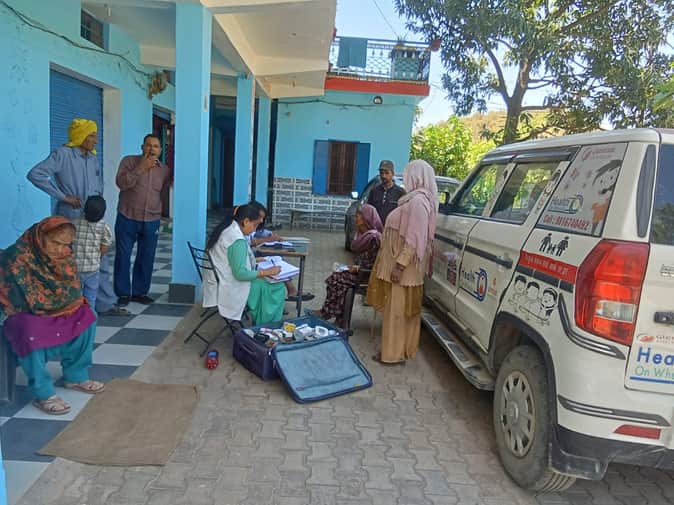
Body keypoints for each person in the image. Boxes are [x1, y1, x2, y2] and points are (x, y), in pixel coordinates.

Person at [0, 217, 105, 415]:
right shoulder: (18, 257)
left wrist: (61, 306)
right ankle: (43, 393)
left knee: (86, 316)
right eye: (55, 243)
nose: (60, 249)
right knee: (29, 331)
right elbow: (22, 298)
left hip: (56, 309)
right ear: (41, 237)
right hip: (23, 311)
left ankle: (76, 376)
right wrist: (53, 306)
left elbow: (72, 291)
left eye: (65, 244)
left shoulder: (64, 255)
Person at [26, 118, 126, 316]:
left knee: (99, 259)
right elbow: (35, 174)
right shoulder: (62, 154)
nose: (95, 140)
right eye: (92, 136)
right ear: (80, 136)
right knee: (70, 262)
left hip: (93, 218)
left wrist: (99, 205)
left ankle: (105, 304)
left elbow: (98, 183)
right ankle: (71, 307)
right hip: (71, 219)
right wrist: (63, 197)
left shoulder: (92, 158)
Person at [367, 160, 438, 364]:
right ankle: (403, 350)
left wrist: (399, 266)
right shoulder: (415, 199)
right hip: (403, 268)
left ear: (417, 177)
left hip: (403, 270)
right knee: (404, 311)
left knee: (396, 312)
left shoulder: (418, 202)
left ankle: (392, 354)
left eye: (409, 175)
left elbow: (413, 240)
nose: (406, 180)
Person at [202, 203, 287, 324]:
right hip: (230, 285)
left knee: (267, 281)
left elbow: (230, 259)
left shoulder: (228, 229)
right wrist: (266, 272)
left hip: (220, 280)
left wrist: (255, 261)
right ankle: (266, 325)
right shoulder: (237, 240)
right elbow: (240, 274)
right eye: (255, 225)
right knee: (276, 286)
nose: (255, 229)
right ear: (246, 221)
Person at [114, 134, 171, 306]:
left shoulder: (164, 170)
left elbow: (164, 193)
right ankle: (123, 293)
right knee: (123, 256)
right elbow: (121, 183)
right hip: (127, 216)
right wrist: (140, 169)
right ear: (142, 147)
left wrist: (162, 213)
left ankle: (140, 292)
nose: (151, 149)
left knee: (146, 257)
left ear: (160, 150)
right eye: (148, 145)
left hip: (152, 219)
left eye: (156, 146)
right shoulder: (129, 162)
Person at [309, 203, 382, 326]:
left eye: (358, 216)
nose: (355, 219)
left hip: (367, 277)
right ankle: (339, 318)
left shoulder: (373, 238)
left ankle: (327, 313)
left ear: (366, 219)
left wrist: (356, 269)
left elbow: (372, 264)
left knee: (336, 279)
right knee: (338, 277)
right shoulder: (362, 234)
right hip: (359, 272)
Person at [72, 196, 113, 309]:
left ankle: (76, 316)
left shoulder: (74, 223)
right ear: (103, 214)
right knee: (90, 296)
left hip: (74, 268)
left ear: (84, 210)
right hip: (92, 268)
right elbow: (104, 247)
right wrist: (98, 256)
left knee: (75, 296)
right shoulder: (104, 227)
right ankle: (90, 317)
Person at [367, 160, 406, 224]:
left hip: (392, 228)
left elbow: (404, 214)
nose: (383, 176)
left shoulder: (400, 192)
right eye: (381, 173)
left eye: (387, 173)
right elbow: (369, 211)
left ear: (392, 174)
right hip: (376, 228)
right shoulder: (374, 191)